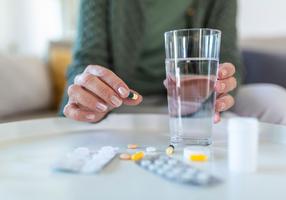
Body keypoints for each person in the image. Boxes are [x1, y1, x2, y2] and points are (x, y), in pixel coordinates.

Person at [60, 0, 286, 125]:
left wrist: (222, 87)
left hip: (195, 100)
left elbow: (228, 58)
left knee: (274, 100)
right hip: (127, 104)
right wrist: (90, 90)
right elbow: (86, 61)